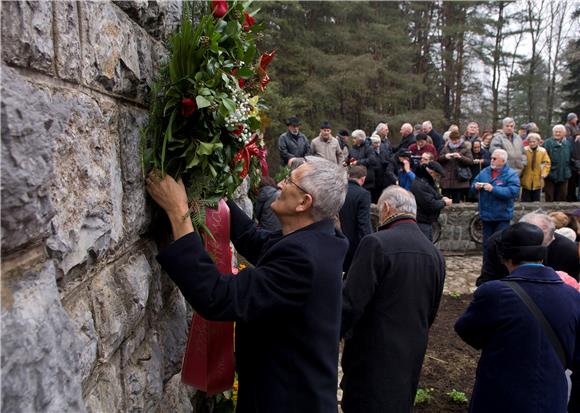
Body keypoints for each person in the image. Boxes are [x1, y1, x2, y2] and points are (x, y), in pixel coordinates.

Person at [145, 156, 348, 413]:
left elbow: (217, 297)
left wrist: (178, 211)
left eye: (289, 181)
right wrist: (213, 192)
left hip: (286, 401)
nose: (280, 184)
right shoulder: (317, 239)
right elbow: (253, 239)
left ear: (303, 203)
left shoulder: (304, 260)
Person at [455, 222, 580, 413]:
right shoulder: (572, 296)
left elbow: (467, 331)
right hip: (551, 398)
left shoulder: (494, 293)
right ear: (542, 254)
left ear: (505, 258)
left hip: (500, 397)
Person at [341, 186, 445, 413]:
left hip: (371, 356)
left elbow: (350, 303)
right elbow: (431, 312)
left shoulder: (376, 243)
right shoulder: (435, 254)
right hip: (411, 355)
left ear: (386, 207)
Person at [477, 212, 580, 285]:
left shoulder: (568, 250)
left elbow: (572, 288)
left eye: (541, 246)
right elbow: (488, 278)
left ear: (552, 238)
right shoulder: (498, 242)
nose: (535, 253)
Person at [472, 149, 520, 261]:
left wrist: (494, 189)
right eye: (491, 158)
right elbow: (473, 183)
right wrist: (475, 186)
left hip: (502, 217)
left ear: (503, 161)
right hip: (486, 216)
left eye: (494, 158)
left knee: (499, 244)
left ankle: (499, 268)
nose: (491, 160)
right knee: (486, 245)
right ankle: (486, 267)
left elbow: (513, 192)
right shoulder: (484, 171)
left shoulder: (511, 174)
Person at [339, 165, 373, 274]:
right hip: (353, 245)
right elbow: (364, 224)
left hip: (335, 238)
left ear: (348, 176)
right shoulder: (363, 194)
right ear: (363, 179)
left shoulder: (338, 190)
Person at [410, 161, 452, 241]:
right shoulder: (421, 185)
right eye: (437, 175)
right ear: (431, 172)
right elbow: (430, 205)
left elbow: (433, 193)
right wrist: (444, 202)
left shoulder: (426, 182)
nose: (436, 178)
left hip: (426, 221)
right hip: (421, 222)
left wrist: (441, 197)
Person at [438, 130, 474, 203]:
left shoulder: (465, 148)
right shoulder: (445, 148)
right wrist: (445, 157)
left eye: (456, 140)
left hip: (459, 180)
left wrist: (460, 157)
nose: (454, 141)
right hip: (446, 180)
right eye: (452, 140)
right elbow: (438, 159)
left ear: (459, 139)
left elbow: (470, 161)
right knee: (444, 201)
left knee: (456, 202)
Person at [544, 124, 572, 202]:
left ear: (564, 133)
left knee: (562, 197)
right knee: (549, 198)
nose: (557, 134)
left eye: (560, 132)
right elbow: (543, 160)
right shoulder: (547, 143)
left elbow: (571, 158)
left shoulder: (568, 144)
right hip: (550, 175)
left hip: (564, 174)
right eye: (556, 132)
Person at [520, 132, 551, 202]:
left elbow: (546, 163)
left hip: (538, 179)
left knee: (536, 201)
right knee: (525, 200)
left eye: (534, 142)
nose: (532, 143)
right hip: (526, 179)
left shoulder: (542, 151)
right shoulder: (524, 150)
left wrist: (544, 173)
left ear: (538, 142)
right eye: (530, 142)